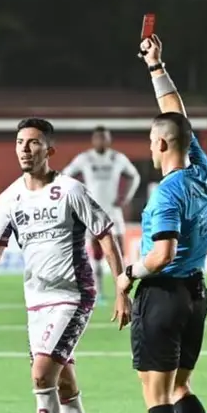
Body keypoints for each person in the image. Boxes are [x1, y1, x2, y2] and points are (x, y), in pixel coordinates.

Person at [0, 117, 129, 413]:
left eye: (34, 142)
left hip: (74, 294)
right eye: (20, 142)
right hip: (36, 301)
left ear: (49, 150)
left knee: (42, 375)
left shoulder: (70, 190)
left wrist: (121, 287)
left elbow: (106, 234)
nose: (25, 148)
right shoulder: (9, 199)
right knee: (64, 383)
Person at [114, 34, 207, 413]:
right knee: (182, 386)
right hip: (197, 295)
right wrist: (157, 67)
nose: (150, 149)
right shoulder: (203, 174)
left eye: (152, 142)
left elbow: (160, 253)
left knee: (156, 395)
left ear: (160, 143)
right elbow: (178, 117)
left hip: (162, 295)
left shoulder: (164, 195)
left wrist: (127, 274)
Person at [63, 125, 142, 301]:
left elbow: (134, 176)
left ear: (109, 140)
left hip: (114, 211)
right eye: (99, 138)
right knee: (97, 252)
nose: (102, 141)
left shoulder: (117, 158)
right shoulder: (85, 158)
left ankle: (122, 289)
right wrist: (78, 198)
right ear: (93, 140)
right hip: (93, 212)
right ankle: (99, 291)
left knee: (120, 251)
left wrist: (125, 197)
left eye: (105, 138)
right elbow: (65, 176)